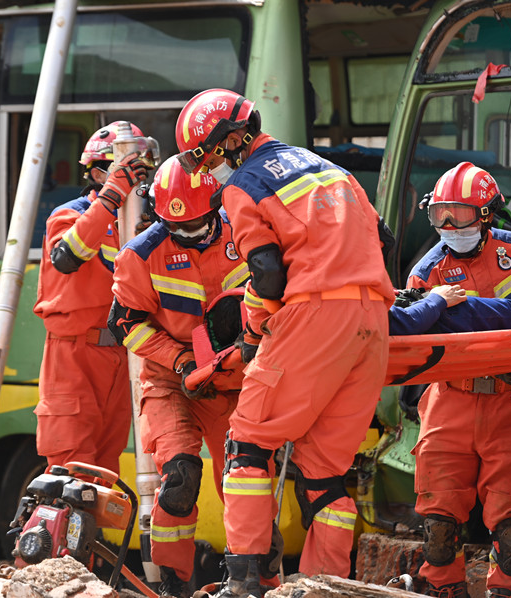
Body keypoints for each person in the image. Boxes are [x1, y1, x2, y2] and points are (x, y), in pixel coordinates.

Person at [174, 88, 395, 595]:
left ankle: (245, 580)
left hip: (314, 315)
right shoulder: (330, 170)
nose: (205, 168)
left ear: (231, 140)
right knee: (323, 475)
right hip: (372, 321)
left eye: (203, 155)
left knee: (248, 444)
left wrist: (252, 330)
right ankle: (323, 586)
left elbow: (268, 276)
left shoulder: (245, 185)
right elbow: (382, 241)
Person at [404, 162, 511, 598]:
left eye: (460, 214)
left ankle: (506, 589)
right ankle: (443, 588)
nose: (449, 225)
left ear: (486, 215)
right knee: (438, 528)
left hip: (510, 402)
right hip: (449, 401)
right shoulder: (425, 274)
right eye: (440, 215)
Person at [107, 156, 249, 598]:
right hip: (174, 381)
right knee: (180, 478)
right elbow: (125, 323)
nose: (190, 234)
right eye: (178, 227)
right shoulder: (141, 255)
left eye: (198, 224)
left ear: (217, 204)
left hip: (234, 377)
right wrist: (180, 360)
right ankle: (174, 585)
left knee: (247, 479)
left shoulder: (246, 231)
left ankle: (256, 581)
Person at [33, 122, 151, 475]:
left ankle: (93, 534)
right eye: (129, 170)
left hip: (120, 354)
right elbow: (68, 257)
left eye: (140, 171)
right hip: (73, 355)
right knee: (72, 468)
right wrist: (112, 194)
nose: (136, 180)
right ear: (99, 172)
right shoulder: (69, 215)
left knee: (105, 470)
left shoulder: (138, 223)